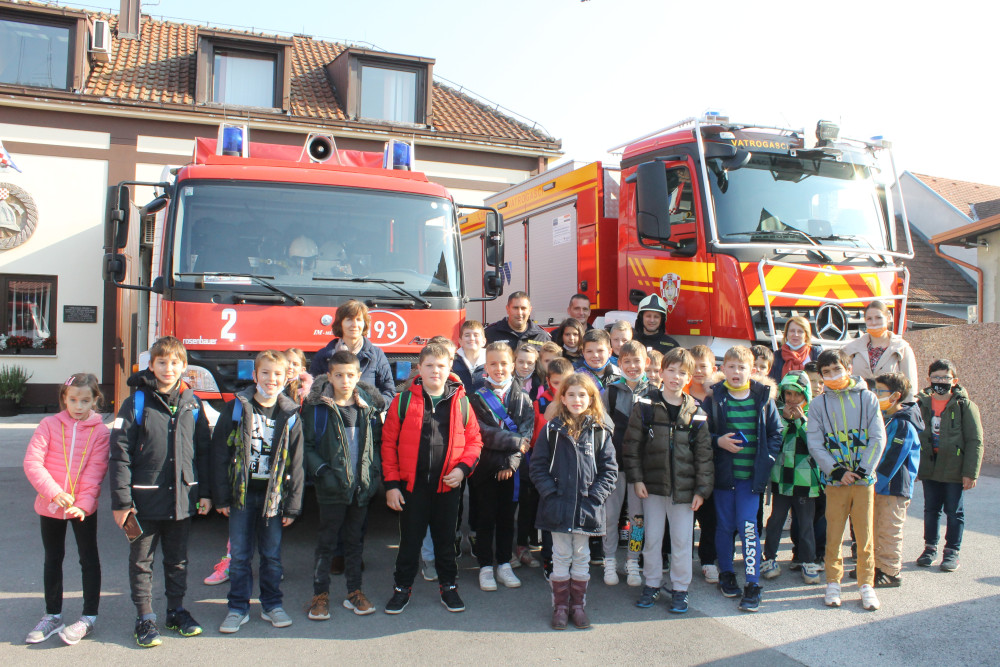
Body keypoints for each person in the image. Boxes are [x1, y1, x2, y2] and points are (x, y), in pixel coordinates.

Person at [109, 336, 213, 648]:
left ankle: (176, 611)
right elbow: (119, 456)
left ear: (184, 367)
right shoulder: (135, 404)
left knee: (178, 560)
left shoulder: (193, 404)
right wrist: (121, 503)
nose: (169, 368)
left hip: (181, 500)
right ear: (151, 366)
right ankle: (145, 618)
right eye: (162, 362)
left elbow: (203, 452)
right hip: (139, 505)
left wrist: (205, 493)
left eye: (175, 362)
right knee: (141, 561)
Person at [381, 343, 483, 615]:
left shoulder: (461, 401)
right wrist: (391, 485)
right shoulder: (402, 401)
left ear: (450, 367)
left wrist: (462, 469)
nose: (435, 371)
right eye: (429, 366)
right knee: (410, 542)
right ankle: (401, 589)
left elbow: (475, 441)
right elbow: (388, 444)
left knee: (446, 541)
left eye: (441, 366)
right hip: (411, 488)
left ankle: (449, 587)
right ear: (419, 368)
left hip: (447, 487)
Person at [212, 350, 304, 634]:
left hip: (273, 498)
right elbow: (219, 453)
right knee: (239, 556)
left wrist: (292, 505)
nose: (271, 379)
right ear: (254, 376)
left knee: (272, 556)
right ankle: (237, 608)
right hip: (241, 495)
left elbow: (298, 463)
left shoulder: (290, 414)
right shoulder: (237, 408)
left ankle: (271, 604)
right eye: (265, 373)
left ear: (287, 376)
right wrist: (221, 496)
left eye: (277, 374)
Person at [624, 347, 713, 613]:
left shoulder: (696, 411)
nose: (675, 376)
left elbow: (704, 456)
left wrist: (702, 490)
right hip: (651, 487)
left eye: (682, 373)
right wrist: (636, 479)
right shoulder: (645, 406)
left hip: (685, 492)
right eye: (671, 370)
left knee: (682, 541)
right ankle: (651, 584)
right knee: (651, 539)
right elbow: (631, 446)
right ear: (661, 372)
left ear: (689, 378)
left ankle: (680, 589)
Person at [23, 374, 110, 646]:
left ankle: (89, 616)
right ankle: (52, 614)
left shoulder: (100, 431)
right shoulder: (49, 424)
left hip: (83, 508)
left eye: (85, 400)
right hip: (50, 504)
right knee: (53, 558)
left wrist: (82, 504)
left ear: (95, 400)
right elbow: (33, 462)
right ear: (64, 398)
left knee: (88, 559)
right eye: (73, 399)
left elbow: (96, 471)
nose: (78, 406)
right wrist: (55, 492)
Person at [530, 373, 618, 630]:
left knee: (581, 556)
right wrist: (550, 493)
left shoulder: (600, 432)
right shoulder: (552, 430)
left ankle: (578, 606)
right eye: (571, 394)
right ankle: (560, 606)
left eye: (583, 395)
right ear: (563, 398)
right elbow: (538, 467)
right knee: (560, 555)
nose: (577, 399)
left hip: (586, 507)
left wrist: (596, 496)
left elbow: (609, 470)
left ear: (591, 399)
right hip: (557, 505)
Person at [303, 351, 385, 620]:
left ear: (359, 377)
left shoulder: (368, 408)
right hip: (331, 490)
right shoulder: (317, 408)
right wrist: (323, 473)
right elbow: (309, 446)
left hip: (360, 489)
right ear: (329, 376)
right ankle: (319, 595)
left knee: (354, 544)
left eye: (351, 375)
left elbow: (375, 446)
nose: (345, 380)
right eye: (339, 375)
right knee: (326, 544)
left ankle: (354, 591)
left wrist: (372, 478)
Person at [701, 345, 781, 613]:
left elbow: (775, 434)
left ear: (752, 371)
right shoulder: (713, 399)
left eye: (742, 367)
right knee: (724, 526)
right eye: (731, 367)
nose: (736, 372)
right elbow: (699, 435)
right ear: (723, 370)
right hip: (724, 478)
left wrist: (767, 460)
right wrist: (718, 441)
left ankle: (752, 582)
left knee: (748, 527)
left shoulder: (763, 399)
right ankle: (726, 572)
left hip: (750, 478)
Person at [806, 348, 886, 611]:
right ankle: (833, 582)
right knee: (834, 533)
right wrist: (837, 471)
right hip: (836, 482)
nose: (832, 375)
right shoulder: (818, 404)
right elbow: (815, 444)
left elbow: (878, 437)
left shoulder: (868, 398)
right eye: (826, 372)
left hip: (863, 482)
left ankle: (866, 584)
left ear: (849, 369)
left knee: (863, 534)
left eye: (837, 369)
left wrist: (863, 470)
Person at [468, 342, 535, 591]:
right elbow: (482, 434)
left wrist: (511, 463)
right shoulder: (475, 398)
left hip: (512, 470)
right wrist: (514, 443)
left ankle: (504, 563)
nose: (499, 368)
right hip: (485, 469)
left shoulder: (523, 398)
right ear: (486, 366)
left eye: (504, 363)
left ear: (513, 365)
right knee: (485, 517)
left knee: (507, 519)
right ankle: (486, 566)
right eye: (493, 364)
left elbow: (526, 437)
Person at [915, 359, 983, 573]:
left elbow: (975, 441)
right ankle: (930, 548)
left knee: (954, 512)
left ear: (954, 380)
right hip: (930, 468)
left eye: (945, 377)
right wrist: (914, 467)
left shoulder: (965, 406)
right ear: (929, 379)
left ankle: (952, 551)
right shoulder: (921, 404)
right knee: (931, 510)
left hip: (954, 469)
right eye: (936, 377)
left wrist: (970, 473)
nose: (940, 381)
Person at [760, 371, 823, 585]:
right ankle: (769, 558)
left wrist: (799, 421)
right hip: (781, 477)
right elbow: (775, 440)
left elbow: (814, 443)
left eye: (797, 394)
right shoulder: (777, 413)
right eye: (788, 394)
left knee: (805, 522)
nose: (792, 399)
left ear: (806, 394)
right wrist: (787, 421)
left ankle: (808, 560)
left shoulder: (814, 414)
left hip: (806, 479)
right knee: (776, 519)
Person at [601, 340, 652, 587]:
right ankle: (609, 559)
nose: (632, 366)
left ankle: (633, 559)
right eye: (627, 361)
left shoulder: (653, 393)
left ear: (647, 363)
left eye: (637, 361)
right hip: (615, 466)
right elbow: (600, 429)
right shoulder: (610, 392)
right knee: (610, 516)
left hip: (641, 470)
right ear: (619, 364)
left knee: (638, 519)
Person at [869, 372, 922, 587]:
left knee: (889, 529)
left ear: (896, 395)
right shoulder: (884, 417)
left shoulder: (903, 424)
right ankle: (875, 567)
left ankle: (890, 571)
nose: (876, 394)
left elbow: (892, 458)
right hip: (879, 486)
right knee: (875, 527)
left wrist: (874, 482)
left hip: (893, 487)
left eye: (880, 391)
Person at [531, 357, 576, 578]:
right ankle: (549, 559)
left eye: (564, 382)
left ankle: (572, 560)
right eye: (556, 383)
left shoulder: (578, 401)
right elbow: (538, 437)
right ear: (549, 381)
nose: (560, 388)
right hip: (551, 469)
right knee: (551, 514)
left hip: (573, 471)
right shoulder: (542, 402)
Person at [309, 299, 396, 405]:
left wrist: (373, 409)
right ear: (340, 323)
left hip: (367, 419)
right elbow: (312, 392)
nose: (354, 324)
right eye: (349, 319)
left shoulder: (377, 355)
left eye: (359, 320)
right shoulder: (323, 356)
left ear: (364, 324)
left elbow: (389, 392)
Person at [687, 344, 720, 583]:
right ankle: (680, 558)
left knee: (710, 517)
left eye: (703, 366)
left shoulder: (718, 397)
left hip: (710, 465)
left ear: (714, 369)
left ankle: (708, 560)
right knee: (684, 516)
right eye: (694, 366)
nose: (698, 371)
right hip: (684, 465)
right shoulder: (680, 393)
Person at [842, 301, 918, 399]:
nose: (874, 322)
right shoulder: (851, 349)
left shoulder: (902, 349)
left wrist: (906, 410)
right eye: (869, 319)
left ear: (888, 318)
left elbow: (910, 387)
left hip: (891, 409)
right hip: (860, 408)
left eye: (878, 318)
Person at [484, 291, 552, 349]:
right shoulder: (490, 333)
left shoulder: (542, 336)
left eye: (523, 308)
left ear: (530, 310)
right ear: (507, 309)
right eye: (515, 308)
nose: (519, 313)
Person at [770, 316, 822, 383]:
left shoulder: (816, 353)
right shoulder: (776, 356)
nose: (796, 334)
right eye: (792, 331)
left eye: (800, 331)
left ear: (806, 335)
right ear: (786, 334)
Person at [453, 320, 486, 393]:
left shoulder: (492, 361)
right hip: (461, 403)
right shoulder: (452, 363)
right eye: (467, 335)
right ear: (460, 341)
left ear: (484, 341)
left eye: (476, 335)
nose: (472, 338)